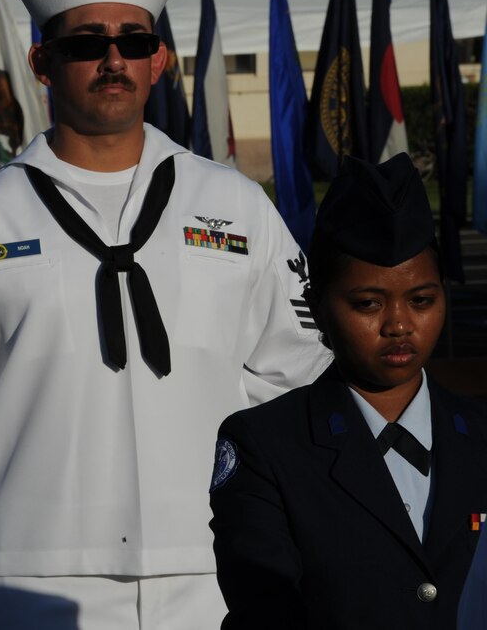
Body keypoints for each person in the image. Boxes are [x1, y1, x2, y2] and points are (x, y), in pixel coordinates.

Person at [0, 0, 331, 629]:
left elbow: (300, 360)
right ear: (41, 62)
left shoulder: (233, 203)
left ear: (160, 60)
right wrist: (26, 442)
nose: (113, 59)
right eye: (86, 44)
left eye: (134, 42)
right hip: (37, 562)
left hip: (210, 551)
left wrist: (207, 440)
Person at [209, 154, 487, 629]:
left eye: (422, 300)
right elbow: (263, 608)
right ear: (316, 306)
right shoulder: (268, 447)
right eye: (367, 303)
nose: (399, 325)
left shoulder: (480, 436)